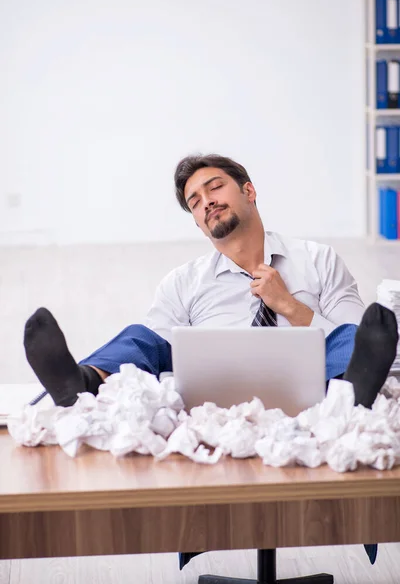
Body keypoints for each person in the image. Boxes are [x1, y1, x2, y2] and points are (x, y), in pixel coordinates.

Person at [22, 154, 398, 569]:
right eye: (195, 200)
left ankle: (354, 394)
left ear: (248, 191)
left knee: (350, 337)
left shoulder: (318, 260)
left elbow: (354, 335)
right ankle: (80, 383)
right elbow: (150, 348)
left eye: (215, 187)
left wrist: (290, 307)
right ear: (198, 222)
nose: (206, 202)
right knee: (142, 337)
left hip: (316, 394)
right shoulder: (185, 282)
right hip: (216, 401)